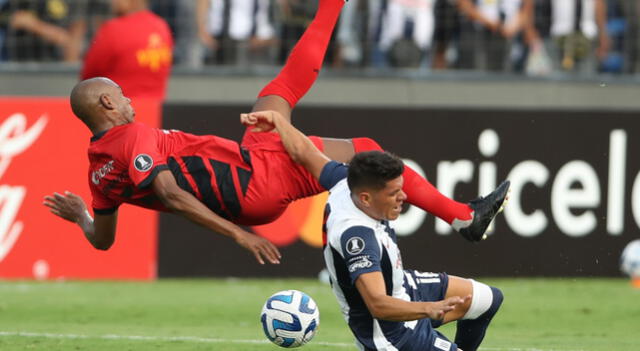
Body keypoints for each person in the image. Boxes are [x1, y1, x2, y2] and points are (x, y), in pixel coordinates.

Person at [43, 0, 509, 266]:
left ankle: (458, 217)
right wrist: (240, 236)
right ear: (106, 104)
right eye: (120, 95)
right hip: (250, 182)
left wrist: (83, 214)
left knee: (358, 148)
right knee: (292, 98)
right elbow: (172, 194)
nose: (127, 99)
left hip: (247, 168)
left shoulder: (98, 171)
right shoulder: (132, 138)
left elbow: (102, 239)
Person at [240, 109, 507, 351]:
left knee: (489, 300)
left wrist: (277, 120)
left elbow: (303, 152)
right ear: (366, 198)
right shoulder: (357, 236)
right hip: (392, 335)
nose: (403, 196)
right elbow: (378, 305)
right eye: (393, 193)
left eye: (401, 187)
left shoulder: (345, 182)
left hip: (403, 286)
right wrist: (428, 309)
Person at [80, 0, 173, 100]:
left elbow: (88, 77)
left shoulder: (113, 29)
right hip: (155, 110)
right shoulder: (162, 26)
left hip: (117, 110)